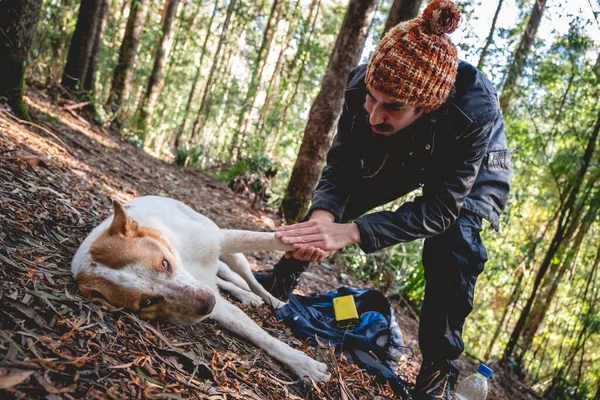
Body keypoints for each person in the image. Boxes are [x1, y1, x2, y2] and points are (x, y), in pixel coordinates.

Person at [255, 0, 512, 398]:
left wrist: (353, 232)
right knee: (343, 201)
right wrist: (325, 218)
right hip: (410, 141)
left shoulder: (473, 112)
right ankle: (280, 281)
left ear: (426, 106)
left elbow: (441, 209)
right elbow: (341, 166)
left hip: (475, 166)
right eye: (371, 99)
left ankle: (436, 372)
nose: (374, 114)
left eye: (391, 106)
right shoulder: (362, 87)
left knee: (455, 242)